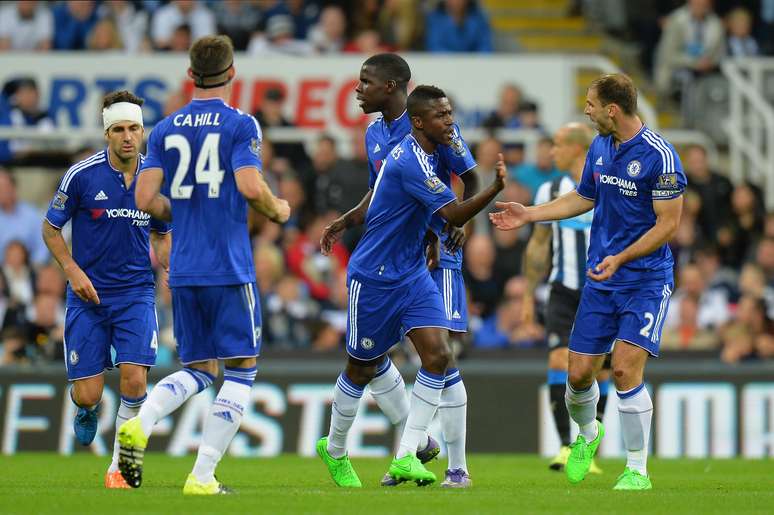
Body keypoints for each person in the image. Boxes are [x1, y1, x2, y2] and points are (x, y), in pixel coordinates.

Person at [491, 73, 685, 491]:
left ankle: (637, 469)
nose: (587, 110)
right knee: (578, 375)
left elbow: (669, 224)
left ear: (612, 110)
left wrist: (623, 257)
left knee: (624, 369)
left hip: (645, 279)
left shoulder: (661, 157)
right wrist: (529, 213)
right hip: (602, 278)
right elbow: (585, 196)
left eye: (591, 104)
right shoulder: (600, 145)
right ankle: (588, 433)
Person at [120, 35, 290, 495]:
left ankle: (142, 421)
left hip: (185, 268)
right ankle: (202, 475)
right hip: (230, 267)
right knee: (242, 368)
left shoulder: (165, 128)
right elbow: (251, 187)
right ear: (233, 73)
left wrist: (184, 209)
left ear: (190, 75)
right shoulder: (241, 124)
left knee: (199, 369)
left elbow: (142, 197)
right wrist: (279, 209)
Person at [318, 84, 505, 488]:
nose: (451, 122)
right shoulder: (407, 159)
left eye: (450, 114)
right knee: (361, 366)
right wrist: (495, 189)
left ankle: (409, 456)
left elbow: (453, 197)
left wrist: (443, 230)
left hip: (415, 271)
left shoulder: (431, 147)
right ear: (419, 122)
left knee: (438, 355)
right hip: (373, 277)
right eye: (443, 116)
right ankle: (334, 449)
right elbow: (452, 208)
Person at [41, 90, 171, 489]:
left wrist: (171, 267)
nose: (128, 136)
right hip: (88, 297)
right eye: (119, 129)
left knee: (135, 381)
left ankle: (118, 466)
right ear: (107, 134)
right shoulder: (81, 176)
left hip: (135, 293)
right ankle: (84, 407)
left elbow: (163, 232)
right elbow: (50, 228)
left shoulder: (156, 177)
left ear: (142, 130)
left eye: (134, 128)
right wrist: (71, 270)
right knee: (88, 393)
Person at [522, 122, 610, 473]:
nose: (551, 152)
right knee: (559, 361)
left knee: (597, 370)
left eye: (557, 144)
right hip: (563, 289)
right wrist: (528, 294)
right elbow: (539, 245)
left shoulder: (609, 185)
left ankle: (587, 447)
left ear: (576, 148)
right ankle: (563, 446)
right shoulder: (550, 189)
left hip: (602, 289)